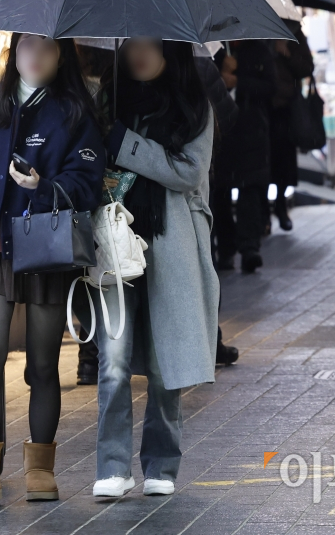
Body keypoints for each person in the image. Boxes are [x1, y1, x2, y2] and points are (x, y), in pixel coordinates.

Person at [0, 34, 105, 503]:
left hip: (46, 249)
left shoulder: (73, 111)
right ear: (14, 51)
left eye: (47, 49)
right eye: (27, 46)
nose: (35, 56)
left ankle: (40, 469)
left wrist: (43, 186)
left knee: (43, 364)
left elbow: (88, 181)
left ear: (61, 56)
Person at [91, 38, 221, 498]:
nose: (140, 54)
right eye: (132, 45)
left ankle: (161, 464)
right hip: (114, 241)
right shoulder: (105, 100)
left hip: (172, 243)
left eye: (153, 45)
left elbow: (187, 172)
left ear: (174, 52)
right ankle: (112, 466)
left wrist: (125, 144)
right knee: (114, 360)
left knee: (168, 360)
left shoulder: (193, 108)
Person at [211, 41, 276, 273]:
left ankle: (250, 248)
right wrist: (220, 69)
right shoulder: (214, 50)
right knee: (220, 192)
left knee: (251, 188)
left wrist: (239, 80)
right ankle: (226, 249)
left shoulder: (259, 49)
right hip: (221, 131)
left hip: (251, 129)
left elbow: (271, 86)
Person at [267, 23, 314, 232]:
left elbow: (306, 67)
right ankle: (263, 214)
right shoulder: (256, 30)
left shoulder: (293, 32)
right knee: (261, 163)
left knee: (284, 163)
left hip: (286, 110)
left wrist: (285, 52)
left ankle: (280, 205)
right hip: (260, 108)